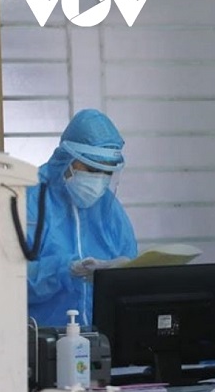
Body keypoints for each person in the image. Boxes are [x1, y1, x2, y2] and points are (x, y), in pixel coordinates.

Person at [27, 109, 137, 327]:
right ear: (68, 159)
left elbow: (130, 264)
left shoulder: (108, 208)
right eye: (92, 169)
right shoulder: (29, 200)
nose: (100, 180)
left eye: (107, 172)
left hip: (103, 338)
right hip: (40, 340)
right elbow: (5, 280)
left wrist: (123, 271)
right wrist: (64, 270)